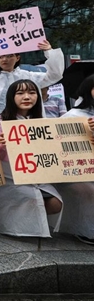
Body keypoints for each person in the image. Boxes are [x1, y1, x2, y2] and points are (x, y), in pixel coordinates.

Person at [0, 79, 63, 238]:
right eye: (20, 93)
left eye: (32, 92)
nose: (27, 97)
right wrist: (0, 146)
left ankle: (31, 222)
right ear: (11, 97)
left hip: (37, 176)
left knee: (56, 203)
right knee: (30, 198)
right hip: (10, 178)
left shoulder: (43, 122)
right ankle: (13, 225)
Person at [0, 40, 64, 122]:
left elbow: (55, 75)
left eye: (9, 56)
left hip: (29, 123)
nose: (5, 59)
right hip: (0, 125)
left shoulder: (28, 75)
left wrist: (49, 52)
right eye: (1, 57)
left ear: (17, 57)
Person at [54, 75, 94, 244]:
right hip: (76, 172)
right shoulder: (73, 116)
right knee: (87, 190)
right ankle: (85, 229)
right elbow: (59, 146)